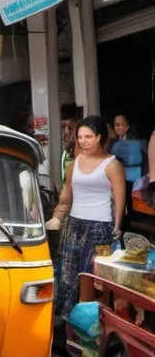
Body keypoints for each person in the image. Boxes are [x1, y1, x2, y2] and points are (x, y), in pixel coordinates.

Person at [46, 115, 126, 321]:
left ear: (99, 137)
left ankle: (89, 322)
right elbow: (65, 196)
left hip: (101, 227)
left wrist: (116, 227)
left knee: (90, 275)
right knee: (67, 273)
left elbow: (119, 199)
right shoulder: (73, 164)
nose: (83, 141)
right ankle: (68, 320)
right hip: (74, 225)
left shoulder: (112, 165)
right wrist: (57, 217)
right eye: (80, 136)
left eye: (88, 136)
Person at [110, 115, 144, 188]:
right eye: (117, 125)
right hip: (116, 176)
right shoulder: (110, 141)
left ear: (127, 127)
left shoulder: (134, 140)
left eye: (123, 125)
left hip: (132, 177)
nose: (120, 128)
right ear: (113, 127)